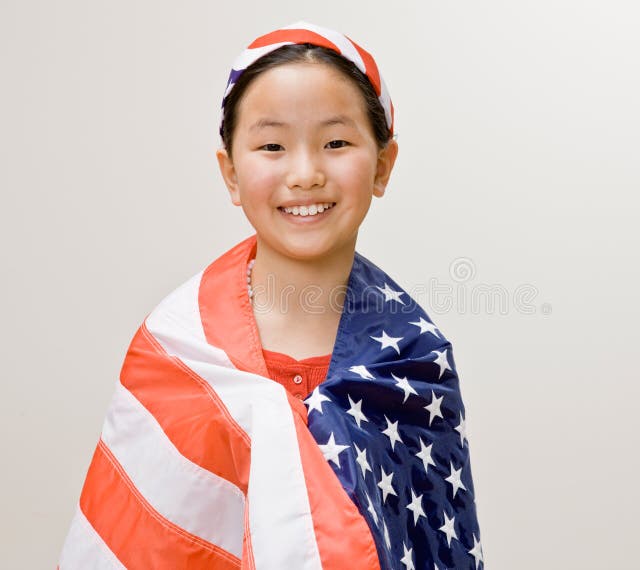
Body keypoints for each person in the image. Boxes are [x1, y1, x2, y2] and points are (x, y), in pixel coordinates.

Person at [58, 21, 483, 569]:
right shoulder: (179, 351)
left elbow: (431, 543)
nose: (304, 173)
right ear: (230, 173)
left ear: (382, 164)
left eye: (335, 142)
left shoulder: (413, 359)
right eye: (272, 146)